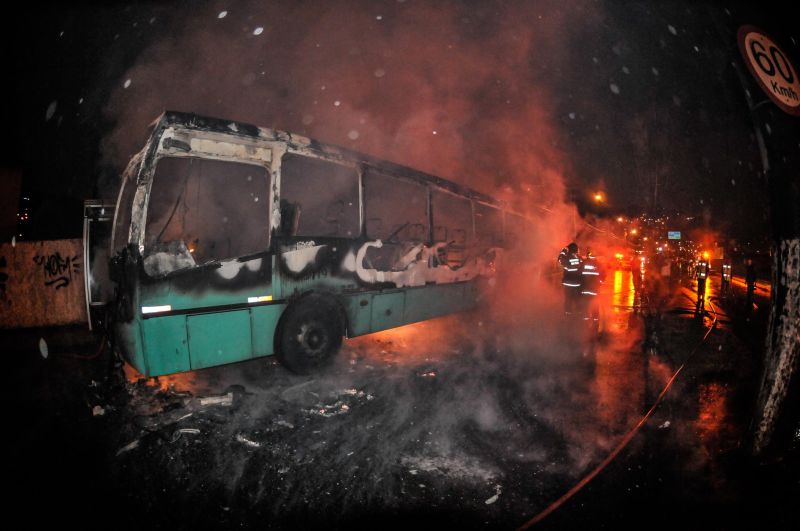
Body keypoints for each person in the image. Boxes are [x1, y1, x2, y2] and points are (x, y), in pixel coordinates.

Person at [558, 242, 582, 315]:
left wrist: (564, 251)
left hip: (568, 282)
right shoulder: (578, 257)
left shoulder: (567, 257)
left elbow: (560, 260)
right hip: (577, 282)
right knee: (577, 297)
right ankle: (579, 310)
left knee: (568, 298)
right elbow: (582, 265)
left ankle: (568, 312)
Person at [580, 248, 604, 322]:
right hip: (594, 289)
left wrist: (581, 284)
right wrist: (599, 282)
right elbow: (603, 275)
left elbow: (580, 274)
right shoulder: (598, 264)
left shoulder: (584, 263)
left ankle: (585, 318)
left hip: (585, 288)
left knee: (585, 304)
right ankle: (595, 319)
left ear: (588, 255)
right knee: (595, 304)